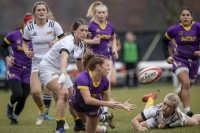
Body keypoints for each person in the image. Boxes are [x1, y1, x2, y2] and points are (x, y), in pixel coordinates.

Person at [38, 18, 88, 133]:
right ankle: (59, 127)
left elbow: (79, 63)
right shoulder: (68, 41)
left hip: (60, 71)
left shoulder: (81, 45)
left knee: (73, 99)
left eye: (86, 31)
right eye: (81, 30)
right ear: (74, 31)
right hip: (47, 68)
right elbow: (63, 58)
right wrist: (64, 73)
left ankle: (78, 124)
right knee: (64, 93)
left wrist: (85, 78)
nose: (84, 33)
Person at [22, 1, 65, 125]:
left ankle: (61, 120)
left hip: (52, 63)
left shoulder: (54, 25)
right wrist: (26, 51)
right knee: (35, 92)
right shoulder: (29, 28)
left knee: (57, 93)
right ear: (34, 13)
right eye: (38, 10)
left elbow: (64, 40)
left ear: (47, 12)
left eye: (43, 10)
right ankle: (43, 111)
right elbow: (24, 43)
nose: (41, 12)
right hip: (37, 63)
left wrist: (56, 42)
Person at [69, 53, 136, 133]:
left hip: (93, 107)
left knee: (91, 130)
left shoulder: (105, 81)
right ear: (99, 67)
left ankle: (104, 128)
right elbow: (88, 100)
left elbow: (106, 99)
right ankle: (105, 122)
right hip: (78, 104)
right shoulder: (82, 78)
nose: (109, 68)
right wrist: (107, 104)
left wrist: (121, 105)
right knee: (89, 126)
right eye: (107, 65)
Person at [162, 7, 200, 117]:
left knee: (186, 87)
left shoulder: (197, 27)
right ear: (180, 17)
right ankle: (187, 111)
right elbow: (164, 41)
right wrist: (167, 56)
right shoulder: (174, 29)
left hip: (194, 62)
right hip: (179, 60)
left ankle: (170, 105)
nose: (185, 17)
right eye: (183, 15)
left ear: (191, 17)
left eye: (188, 15)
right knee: (186, 83)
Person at [85, 0, 118, 117]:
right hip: (93, 60)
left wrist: (114, 49)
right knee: (93, 84)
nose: (101, 15)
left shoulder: (110, 26)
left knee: (106, 82)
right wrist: (92, 41)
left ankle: (104, 111)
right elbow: (81, 39)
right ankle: (89, 105)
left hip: (106, 59)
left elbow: (113, 38)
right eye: (99, 12)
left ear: (107, 13)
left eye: (103, 12)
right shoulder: (90, 26)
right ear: (95, 13)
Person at [0, 13, 34, 125]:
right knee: (18, 94)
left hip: (28, 71)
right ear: (24, 24)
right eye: (29, 23)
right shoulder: (13, 35)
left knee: (24, 96)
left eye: (33, 23)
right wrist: (7, 57)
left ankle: (14, 117)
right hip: (14, 69)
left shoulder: (37, 37)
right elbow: (3, 46)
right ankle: (10, 104)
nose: (31, 25)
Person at [131, 93, 200, 132]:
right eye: (164, 103)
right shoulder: (156, 109)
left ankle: (150, 98)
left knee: (195, 122)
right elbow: (134, 120)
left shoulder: (179, 119)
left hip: (162, 121)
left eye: (169, 106)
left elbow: (168, 125)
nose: (165, 107)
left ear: (174, 108)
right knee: (136, 128)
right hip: (155, 120)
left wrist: (163, 126)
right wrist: (140, 128)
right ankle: (151, 98)